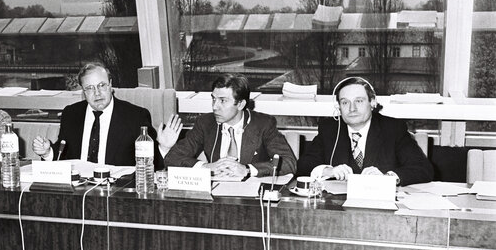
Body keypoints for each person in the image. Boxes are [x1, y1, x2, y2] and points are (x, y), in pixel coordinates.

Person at [31, 62, 183, 168]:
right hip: (77, 190)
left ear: (110, 85)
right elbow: (62, 155)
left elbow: (151, 163)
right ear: (83, 92)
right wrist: (47, 152)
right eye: (89, 88)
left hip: (116, 194)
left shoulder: (136, 116)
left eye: (101, 85)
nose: (97, 93)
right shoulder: (71, 114)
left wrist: (163, 147)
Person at [297, 76, 433, 186]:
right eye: (345, 102)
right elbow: (303, 165)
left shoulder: (393, 128)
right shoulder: (330, 128)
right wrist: (328, 171)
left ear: (372, 102)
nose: (352, 108)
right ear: (338, 107)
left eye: (359, 101)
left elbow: (423, 169)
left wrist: (388, 178)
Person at [165, 74, 296, 179]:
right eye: (213, 99)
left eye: (223, 101)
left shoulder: (264, 124)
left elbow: (289, 163)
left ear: (240, 104)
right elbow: (172, 158)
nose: (214, 106)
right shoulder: (205, 123)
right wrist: (206, 167)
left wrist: (246, 170)